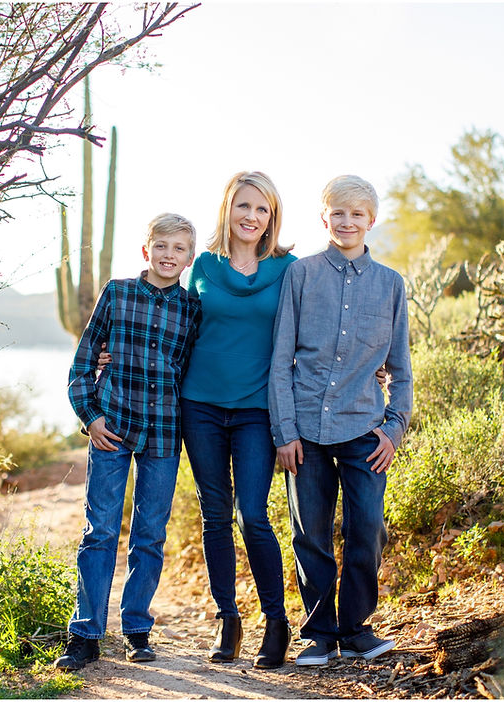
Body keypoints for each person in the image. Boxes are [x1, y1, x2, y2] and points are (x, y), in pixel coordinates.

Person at [268, 175, 413, 666]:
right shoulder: (301, 275)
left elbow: (401, 372)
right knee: (310, 532)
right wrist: (284, 432)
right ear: (324, 217)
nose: (347, 222)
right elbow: (280, 359)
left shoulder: (391, 285)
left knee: (367, 528)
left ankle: (355, 629)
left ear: (371, 220)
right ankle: (320, 635)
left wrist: (393, 429)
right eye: (338, 213)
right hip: (305, 431)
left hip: (364, 432)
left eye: (357, 214)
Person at [55, 213, 202, 671]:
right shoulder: (117, 294)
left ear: (189, 258)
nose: (168, 255)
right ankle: (86, 635)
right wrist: (91, 417)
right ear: (146, 250)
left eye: (178, 249)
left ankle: (137, 628)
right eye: (161, 246)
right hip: (112, 428)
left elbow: (194, 369)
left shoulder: (192, 309)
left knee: (150, 534)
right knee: (99, 530)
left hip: (162, 431)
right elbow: (82, 364)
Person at [179, 171, 296, 669]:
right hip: (199, 405)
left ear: (272, 217)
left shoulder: (288, 269)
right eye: (243, 206)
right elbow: (180, 328)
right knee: (214, 516)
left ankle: (277, 621)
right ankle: (228, 618)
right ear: (228, 209)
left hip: (256, 409)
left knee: (254, 515)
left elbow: (307, 333)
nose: (251, 217)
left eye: (262, 209)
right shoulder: (202, 265)